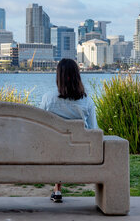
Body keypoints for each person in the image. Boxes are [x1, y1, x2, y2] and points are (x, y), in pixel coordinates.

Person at [39, 58, 98, 203]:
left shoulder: (48, 98)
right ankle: (57, 188)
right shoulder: (87, 101)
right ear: (77, 76)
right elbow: (94, 131)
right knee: (67, 147)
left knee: (58, 146)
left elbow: (39, 127)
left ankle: (57, 188)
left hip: (51, 153)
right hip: (78, 154)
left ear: (58, 76)